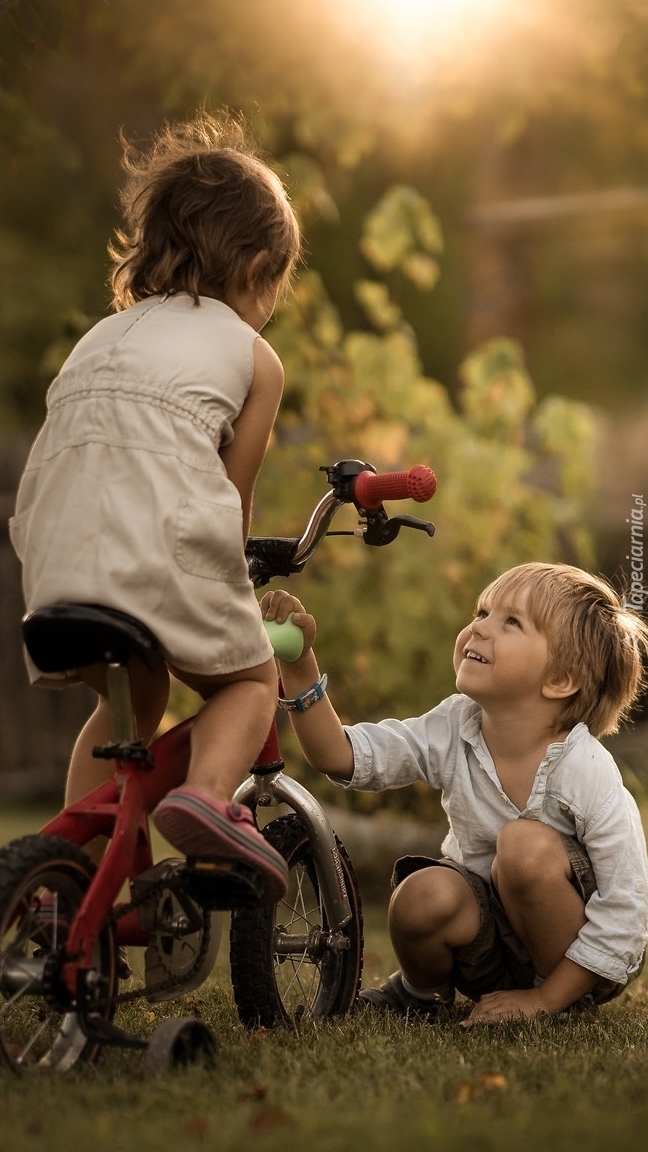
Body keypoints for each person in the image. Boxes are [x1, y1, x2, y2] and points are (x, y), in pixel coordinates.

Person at [9, 111, 302, 903]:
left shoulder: (101, 335)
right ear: (255, 265)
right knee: (247, 681)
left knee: (124, 713)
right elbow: (227, 501)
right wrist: (234, 584)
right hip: (164, 542)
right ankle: (205, 799)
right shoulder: (251, 354)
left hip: (53, 547)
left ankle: (65, 867)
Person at [260, 562, 648, 1019]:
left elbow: (627, 906)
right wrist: (299, 664)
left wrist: (547, 996)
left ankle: (561, 1003)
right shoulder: (454, 725)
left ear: (560, 680)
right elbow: (342, 756)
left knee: (523, 845)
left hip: (579, 958)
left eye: (511, 622)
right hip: (488, 946)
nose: (479, 628)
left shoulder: (586, 770)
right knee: (422, 894)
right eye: (482, 611)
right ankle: (421, 995)